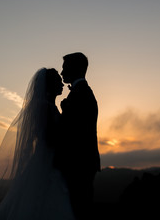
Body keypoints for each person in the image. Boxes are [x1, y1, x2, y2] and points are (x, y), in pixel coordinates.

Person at [0, 68, 75, 220]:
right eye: (58, 81)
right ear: (50, 85)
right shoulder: (44, 107)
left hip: (47, 160)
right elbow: (49, 137)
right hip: (48, 161)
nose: (62, 84)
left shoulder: (47, 107)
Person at [54, 52, 101, 219]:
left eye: (64, 68)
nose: (61, 73)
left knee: (79, 210)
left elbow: (73, 132)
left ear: (75, 69)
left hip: (79, 163)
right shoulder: (80, 93)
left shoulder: (82, 94)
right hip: (80, 163)